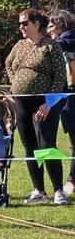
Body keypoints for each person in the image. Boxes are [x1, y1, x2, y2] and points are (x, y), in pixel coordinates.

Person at [5, 8, 68, 205]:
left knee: (46, 144)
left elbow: (60, 77)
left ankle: (58, 190)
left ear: (36, 24)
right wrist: (16, 84)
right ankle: (38, 190)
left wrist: (48, 103)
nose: (21, 27)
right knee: (29, 146)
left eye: (24, 23)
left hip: (44, 103)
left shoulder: (51, 46)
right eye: (20, 24)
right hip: (22, 102)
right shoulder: (20, 45)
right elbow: (8, 63)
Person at [47, 10, 75, 191]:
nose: (48, 30)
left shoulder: (61, 43)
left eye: (50, 25)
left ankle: (72, 181)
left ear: (60, 25)